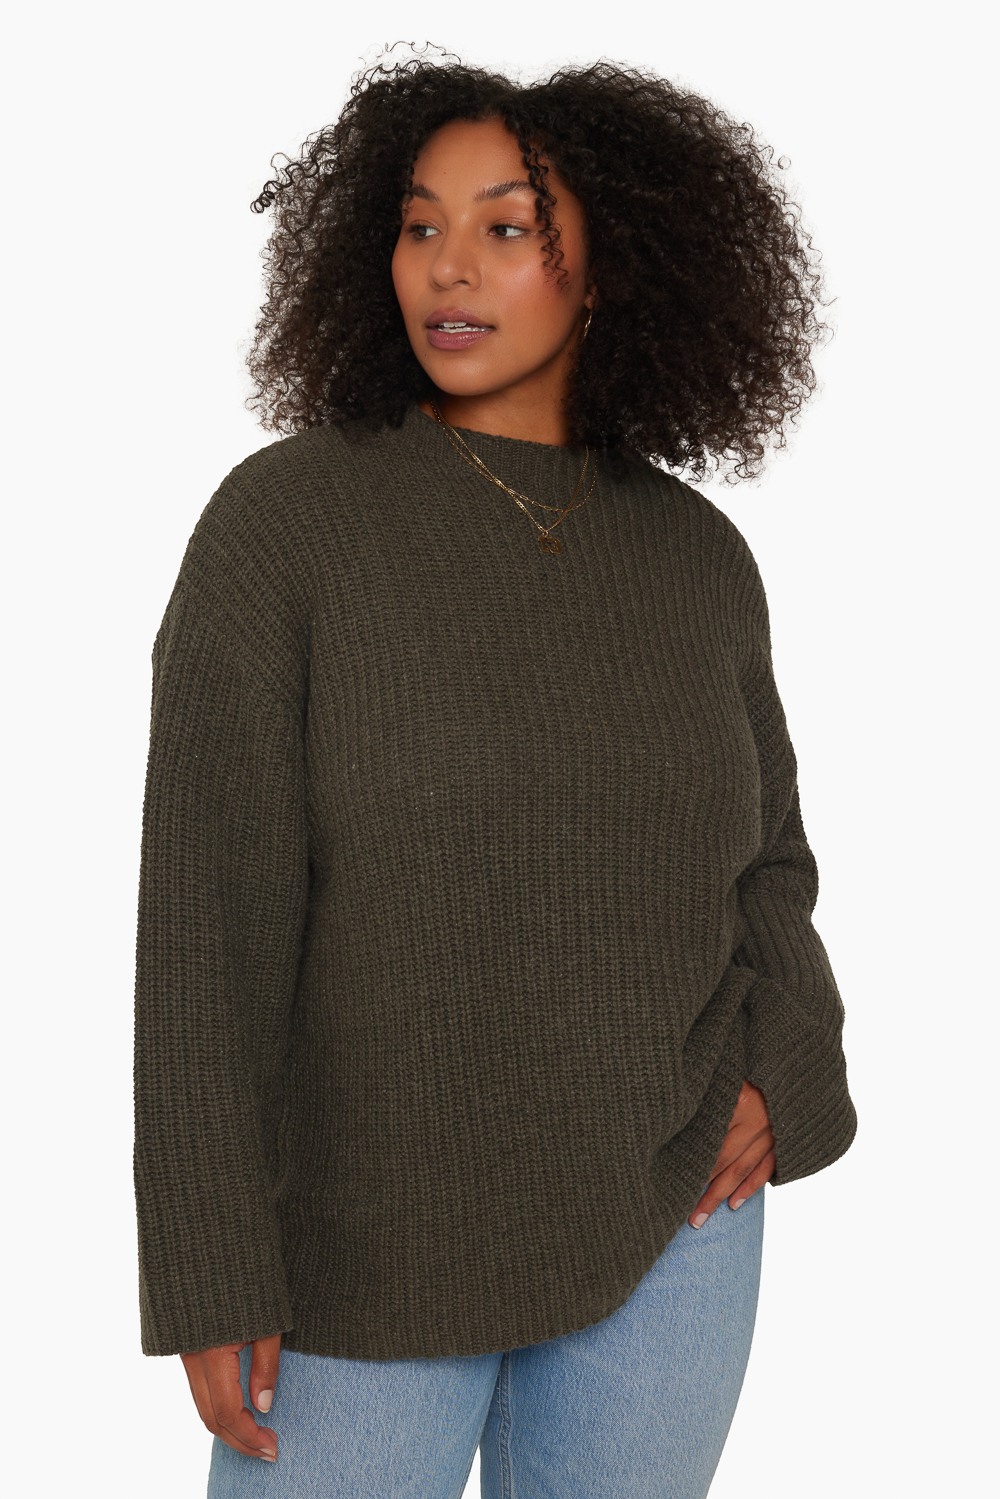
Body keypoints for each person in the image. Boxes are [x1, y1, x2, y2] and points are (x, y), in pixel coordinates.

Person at [133, 49, 857, 1499]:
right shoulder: (286, 528)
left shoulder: (697, 556)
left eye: (506, 226)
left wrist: (791, 1063)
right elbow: (208, 923)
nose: (448, 267)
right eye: (419, 224)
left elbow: (767, 861)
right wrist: (211, 1263)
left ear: (612, 268)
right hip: (360, 1251)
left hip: (673, 1226)